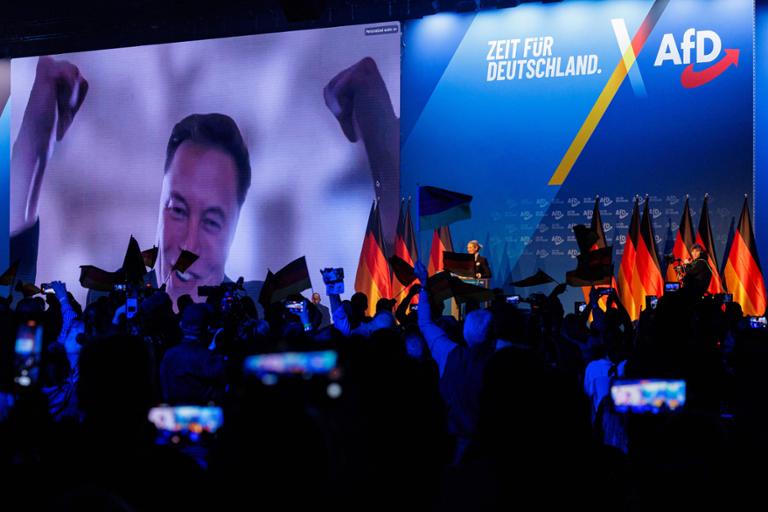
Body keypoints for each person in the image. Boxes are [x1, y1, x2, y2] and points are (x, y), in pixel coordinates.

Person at [10, 54, 399, 306]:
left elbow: (395, 266)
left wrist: (371, 101)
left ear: (234, 225)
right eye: (178, 209)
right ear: (158, 205)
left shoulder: (257, 307)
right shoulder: (111, 301)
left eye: (212, 220)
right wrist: (44, 102)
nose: (189, 243)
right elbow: (14, 255)